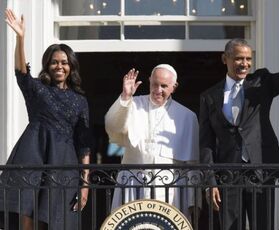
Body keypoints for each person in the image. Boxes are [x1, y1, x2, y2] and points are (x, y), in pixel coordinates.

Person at [199, 13, 279, 230]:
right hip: (228, 176)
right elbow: (206, 144)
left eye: (248, 59)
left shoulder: (261, 82)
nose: (244, 64)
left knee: (263, 225)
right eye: (239, 59)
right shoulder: (209, 96)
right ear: (225, 59)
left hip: (260, 172)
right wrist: (210, 182)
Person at [0, 9, 91, 229]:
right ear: (47, 65)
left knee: (53, 217)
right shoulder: (37, 89)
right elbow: (21, 72)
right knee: (27, 213)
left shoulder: (79, 100)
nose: (59, 66)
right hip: (33, 154)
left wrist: (85, 184)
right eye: (54, 62)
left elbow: (84, 145)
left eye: (64, 62)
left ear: (71, 67)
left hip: (63, 160)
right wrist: (20, 38)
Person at [104, 64, 201, 221]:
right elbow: (112, 126)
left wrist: (193, 202)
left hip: (170, 188)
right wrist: (125, 97)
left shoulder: (187, 116)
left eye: (164, 86)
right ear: (149, 81)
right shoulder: (133, 104)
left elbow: (192, 164)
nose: (158, 90)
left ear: (174, 87)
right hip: (133, 183)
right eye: (154, 84)